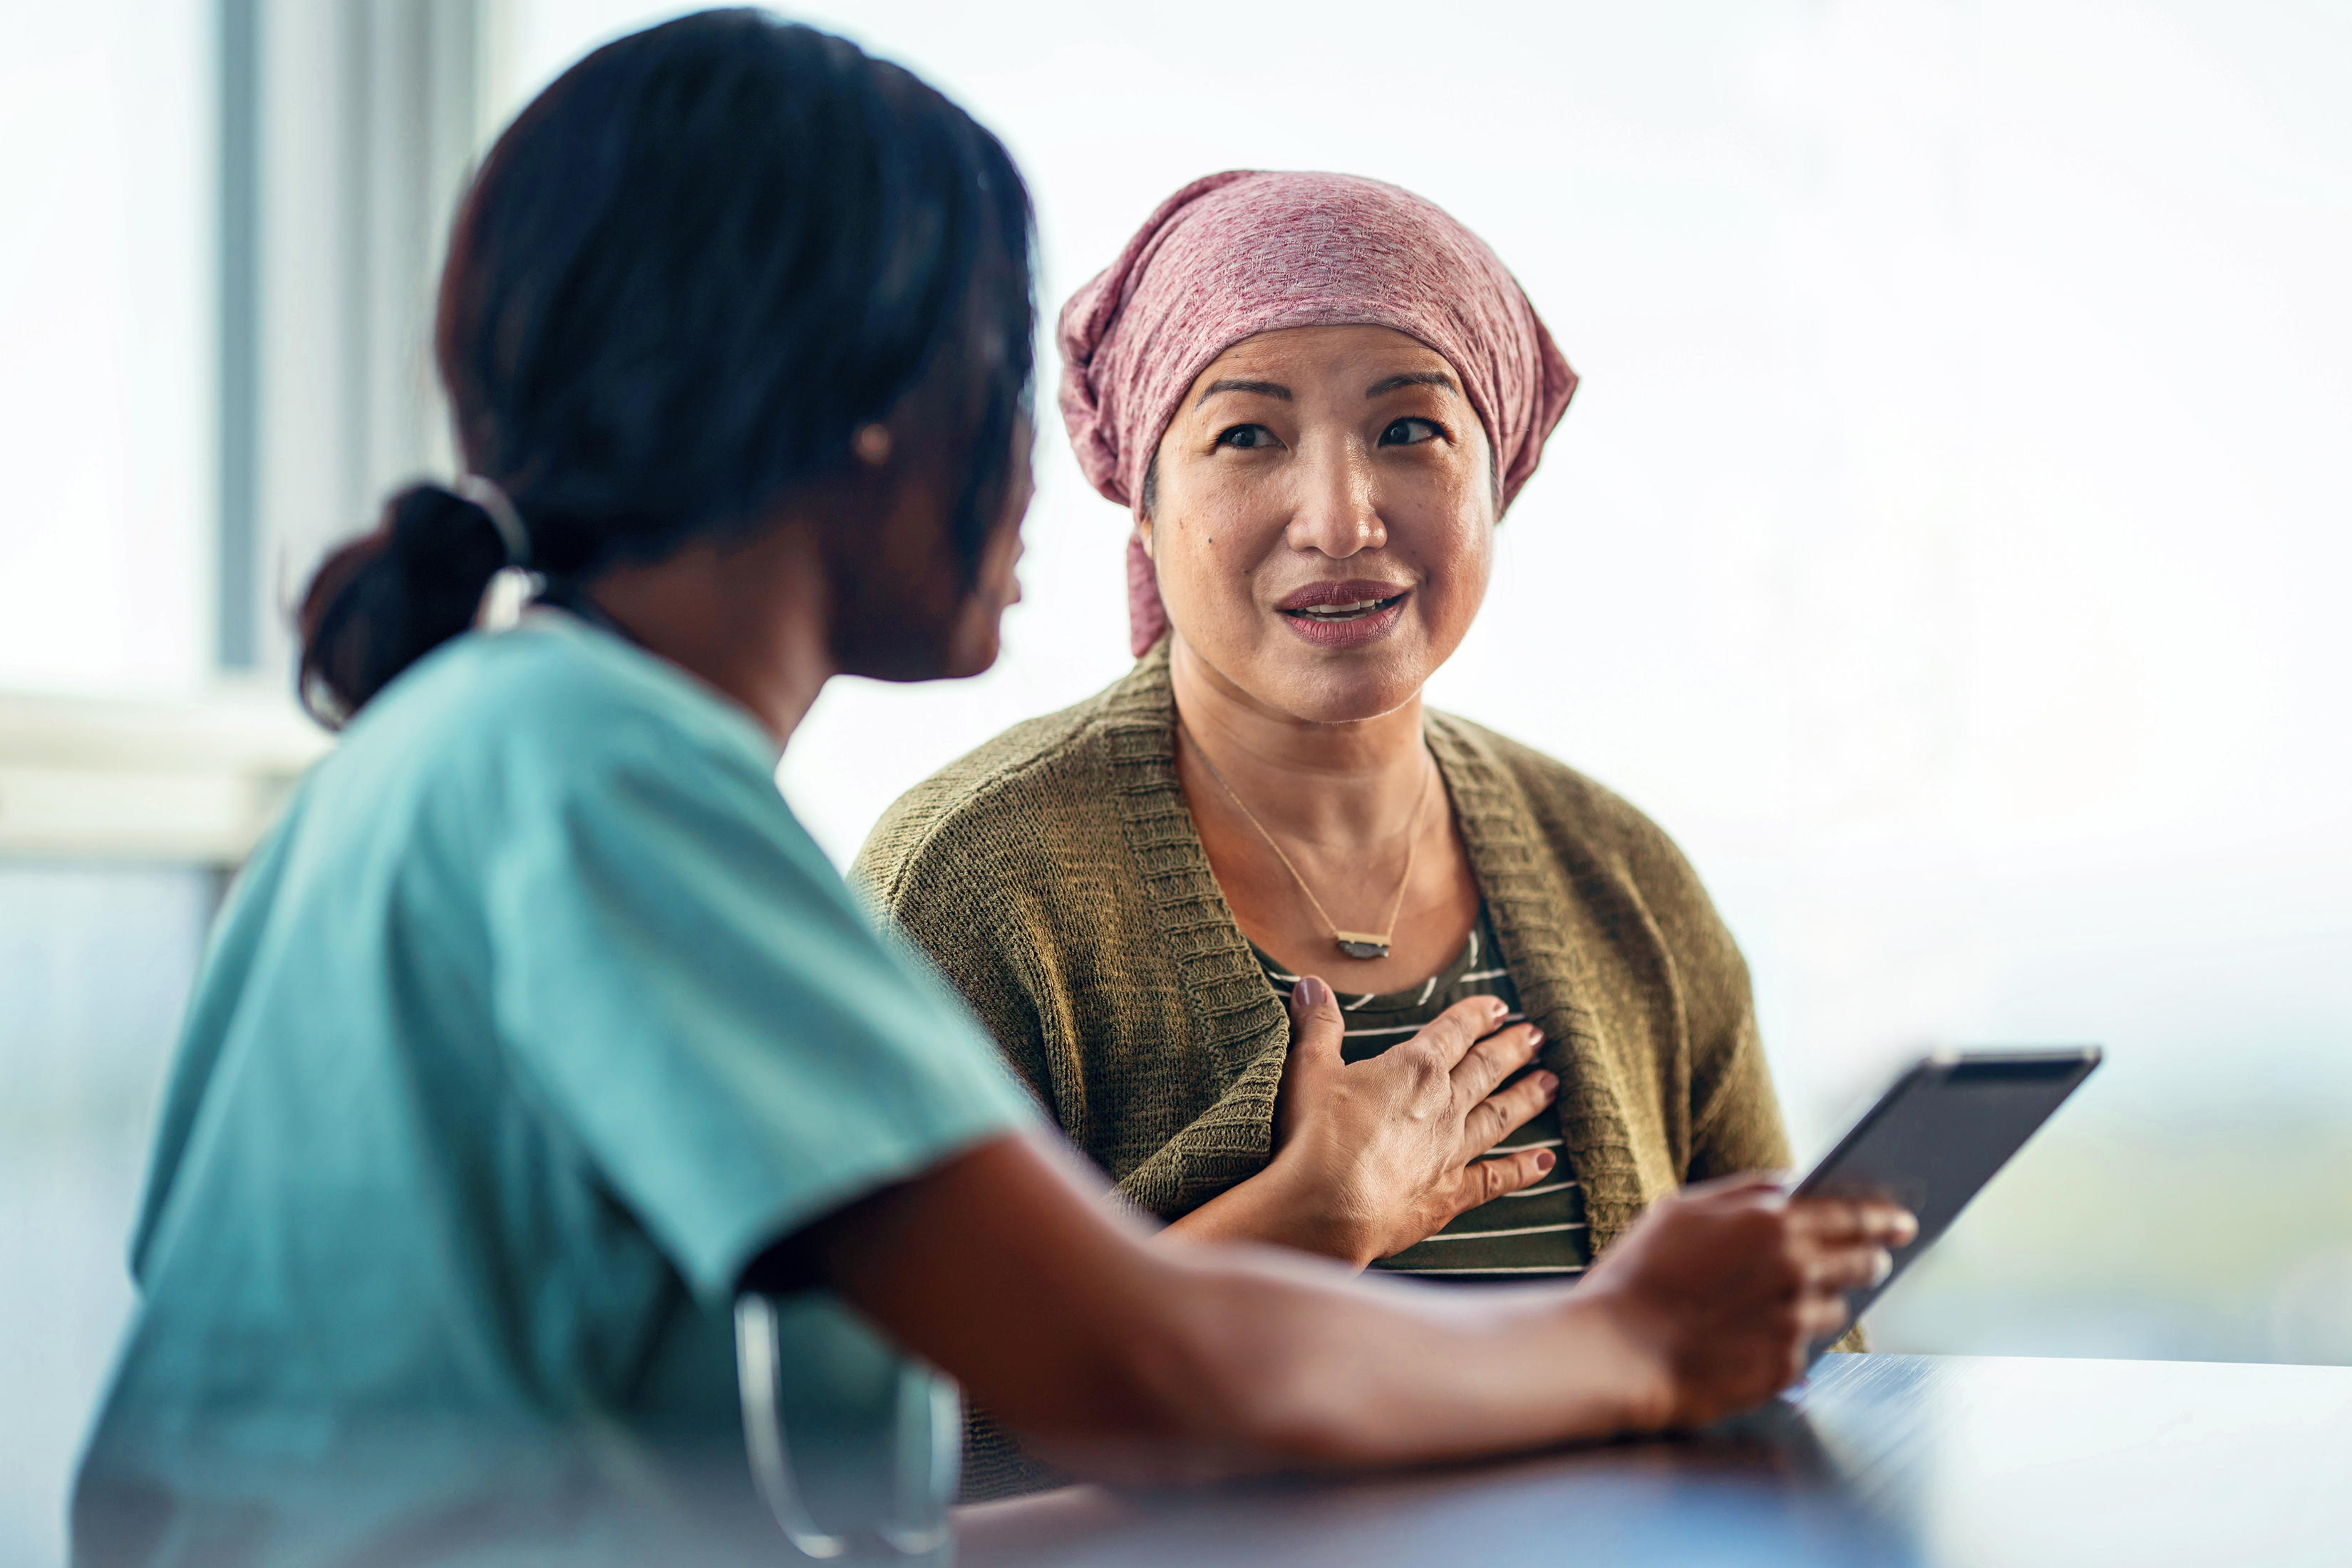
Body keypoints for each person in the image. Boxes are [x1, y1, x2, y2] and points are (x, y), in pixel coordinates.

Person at [72, 15, 1909, 1567]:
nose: (1047, 464)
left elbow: (839, 1507)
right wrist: (1626, 1342)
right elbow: (1142, 1362)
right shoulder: (591, 784)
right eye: (997, 361)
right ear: (865, 401)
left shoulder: (476, 752)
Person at [855, 170, 1837, 1497]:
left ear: (1502, 480)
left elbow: (1800, 1359)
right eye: (1248, 438)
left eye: (1411, 431)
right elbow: (876, 1455)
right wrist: (1311, 1222)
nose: (1341, 519)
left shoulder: (1623, 876)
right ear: (1142, 499)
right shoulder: (972, 885)